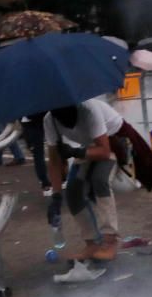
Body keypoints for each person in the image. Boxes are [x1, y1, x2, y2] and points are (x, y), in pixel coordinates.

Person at [44, 99, 124, 263]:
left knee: (99, 180)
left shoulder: (89, 109)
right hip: (87, 146)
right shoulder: (50, 120)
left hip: (113, 140)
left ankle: (110, 242)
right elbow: (54, 161)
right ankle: (92, 243)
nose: (66, 121)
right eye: (59, 116)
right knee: (73, 191)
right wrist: (56, 196)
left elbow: (104, 150)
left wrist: (74, 151)